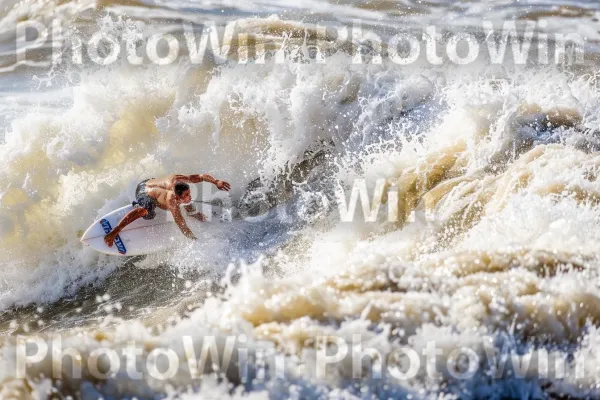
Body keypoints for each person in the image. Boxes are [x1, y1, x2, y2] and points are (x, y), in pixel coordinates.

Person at [104, 174, 231, 247]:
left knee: (187, 203)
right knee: (147, 212)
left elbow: (200, 176)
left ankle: (193, 213)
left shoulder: (179, 179)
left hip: (150, 181)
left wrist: (215, 181)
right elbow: (182, 226)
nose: (190, 196)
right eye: (186, 195)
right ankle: (115, 231)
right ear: (176, 197)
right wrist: (196, 241)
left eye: (189, 193)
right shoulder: (172, 202)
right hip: (144, 191)